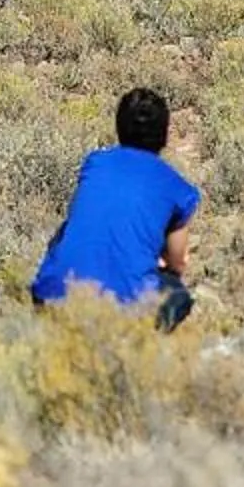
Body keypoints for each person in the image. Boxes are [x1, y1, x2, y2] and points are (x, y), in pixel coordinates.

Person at [30, 87, 201, 332]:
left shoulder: (95, 163)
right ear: (164, 134)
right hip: (125, 306)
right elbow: (177, 262)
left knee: (64, 233)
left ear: (119, 127)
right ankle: (139, 357)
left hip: (53, 293)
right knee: (176, 293)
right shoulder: (178, 189)